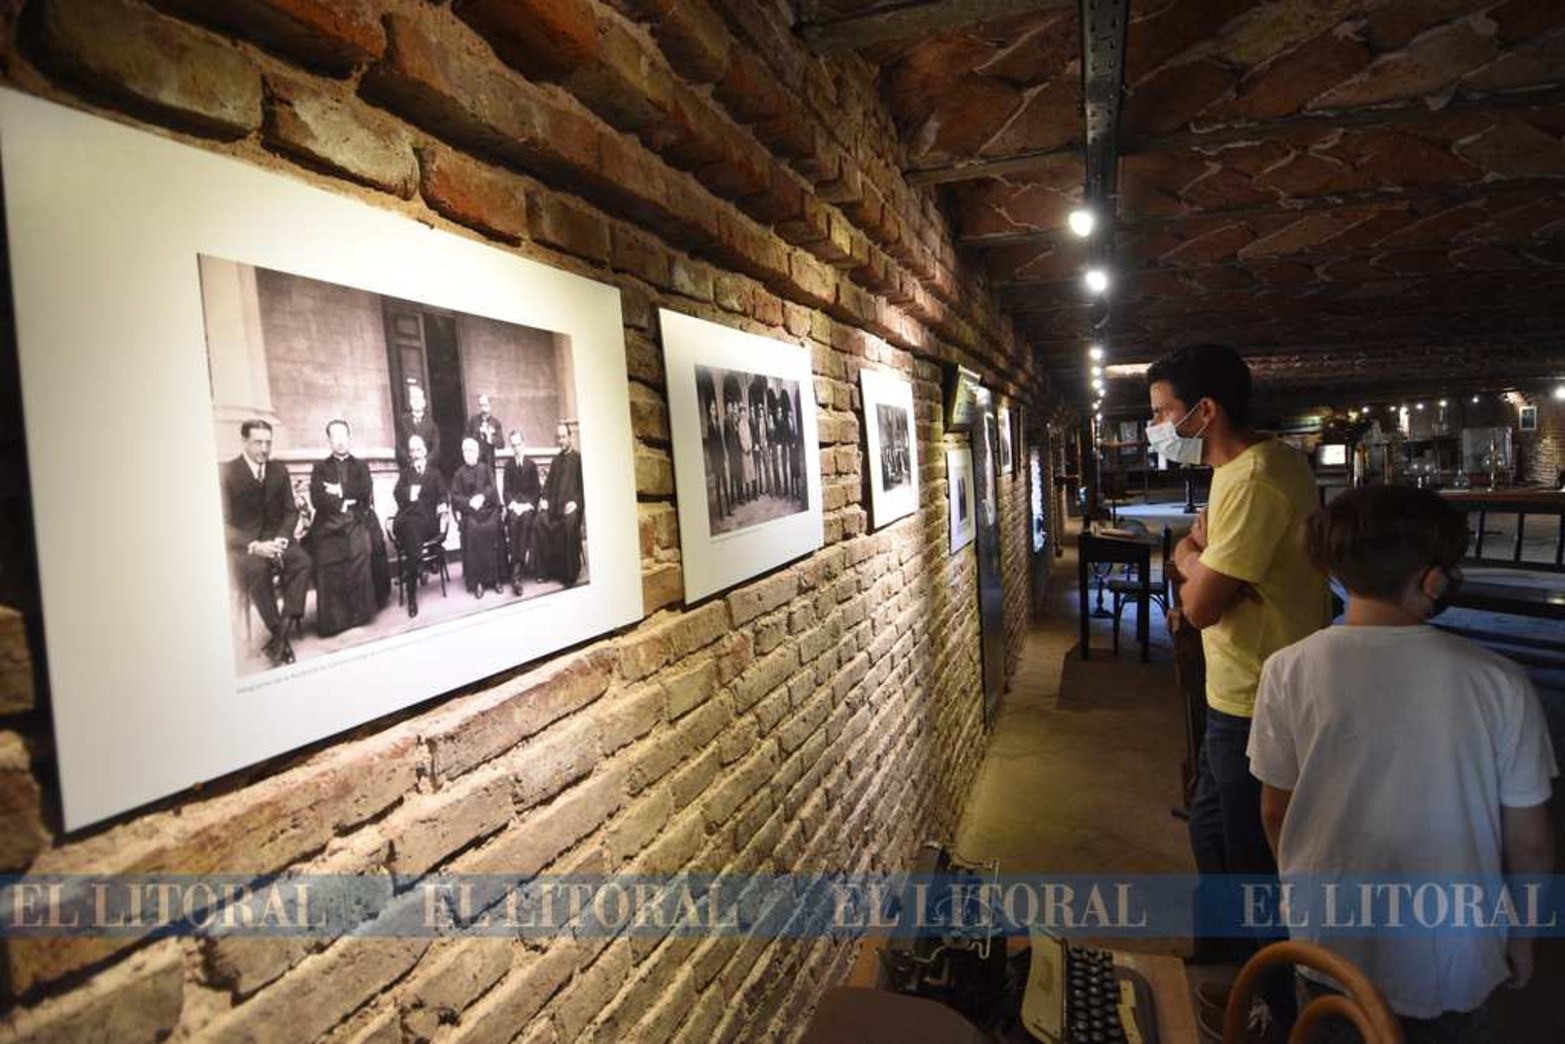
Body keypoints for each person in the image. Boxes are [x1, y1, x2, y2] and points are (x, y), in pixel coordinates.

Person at [1249, 486, 1556, 1042]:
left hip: (1330, 946)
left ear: (1335, 571)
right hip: (1458, 959)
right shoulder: (1499, 682)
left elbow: (1275, 810)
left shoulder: (1287, 670)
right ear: (1432, 579)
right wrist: (1524, 936)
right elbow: (1530, 842)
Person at [1145, 344, 1330, 1034]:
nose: (1158, 427)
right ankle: (1239, 970)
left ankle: (1277, 1008)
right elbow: (1211, 580)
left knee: (1254, 862)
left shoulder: (1254, 481)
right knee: (1214, 831)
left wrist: (1185, 557)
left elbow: (1199, 604)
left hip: (1259, 695)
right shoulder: (1244, 467)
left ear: (1205, 411)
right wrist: (1201, 563)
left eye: (1164, 413)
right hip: (1234, 684)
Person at [221, 420, 311, 665]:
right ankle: (278, 634)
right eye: (257, 442)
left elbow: (290, 511)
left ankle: (280, 636)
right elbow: (221, 524)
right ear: (244, 442)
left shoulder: (278, 470)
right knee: (257, 570)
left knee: (302, 562)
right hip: (245, 547)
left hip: (276, 538)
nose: (264, 448)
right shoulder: (226, 472)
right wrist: (254, 545)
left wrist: (282, 538)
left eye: (268, 443)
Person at [306, 419, 382, 637]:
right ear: (329, 440)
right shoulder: (320, 467)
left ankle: (359, 615)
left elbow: (365, 490)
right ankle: (335, 621)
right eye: (335, 437)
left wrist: (339, 489)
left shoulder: (361, 465)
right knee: (327, 559)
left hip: (356, 519)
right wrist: (343, 501)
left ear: (350, 438)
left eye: (343, 436)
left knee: (360, 552)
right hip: (328, 523)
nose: (340, 441)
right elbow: (317, 498)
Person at [391, 434, 448, 618]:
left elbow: (442, 495)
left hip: (427, 522)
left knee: (413, 531)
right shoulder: (406, 473)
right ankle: (418, 567)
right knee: (410, 526)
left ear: (424, 451)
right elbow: (397, 494)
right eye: (412, 450)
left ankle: (412, 589)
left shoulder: (435, 473)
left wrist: (443, 507)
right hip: (407, 521)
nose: (415, 453)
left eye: (418, 449)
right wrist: (410, 492)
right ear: (410, 453)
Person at [449, 436, 504, 598]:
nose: (468, 454)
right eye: (465, 451)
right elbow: (455, 496)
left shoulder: (485, 468)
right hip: (470, 513)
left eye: (471, 450)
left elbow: (493, 487)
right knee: (473, 530)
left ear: (477, 452)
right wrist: (469, 502)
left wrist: (482, 497)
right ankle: (477, 582)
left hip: (488, 509)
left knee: (493, 528)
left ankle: (495, 579)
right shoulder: (458, 474)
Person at [533, 422, 585, 586]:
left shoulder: (578, 460)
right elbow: (547, 486)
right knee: (539, 521)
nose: (561, 440)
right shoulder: (555, 461)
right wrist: (544, 500)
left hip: (571, 511)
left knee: (569, 525)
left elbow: (586, 488)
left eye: (564, 437)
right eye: (559, 438)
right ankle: (545, 571)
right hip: (554, 510)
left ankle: (568, 574)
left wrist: (576, 503)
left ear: (570, 437)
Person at [502, 429, 542, 595]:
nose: (516, 448)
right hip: (515, 506)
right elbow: (506, 490)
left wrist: (529, 505)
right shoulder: (508, 465)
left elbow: (537, 490)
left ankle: (516, 569)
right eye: (513, 445)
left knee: (526, 522)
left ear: (523, 444)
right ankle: (517, 567)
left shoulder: (531, 465)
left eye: (519, 444)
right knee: (512, 521)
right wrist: (512, 504)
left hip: (527, 507)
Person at [395, 385, 440, 470]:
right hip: (408, 469)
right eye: (413, 398)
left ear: (424, 403)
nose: (416, 401)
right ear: (410, 402)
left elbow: (436, 450)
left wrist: (425, 462)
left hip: (426, 470)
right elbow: (399, 447)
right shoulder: (403, 422)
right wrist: (410, 462)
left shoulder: (432, 425)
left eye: (418, 398)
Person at [466, 393, 506, 471]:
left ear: (490, 406)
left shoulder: (495, 422)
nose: (483, 408)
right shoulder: (473, 421)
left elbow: (501, 444)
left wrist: (489, 437)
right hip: (475, 462)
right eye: (481, 405)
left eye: (485, 405)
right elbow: (466, 438)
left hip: (489, 463)